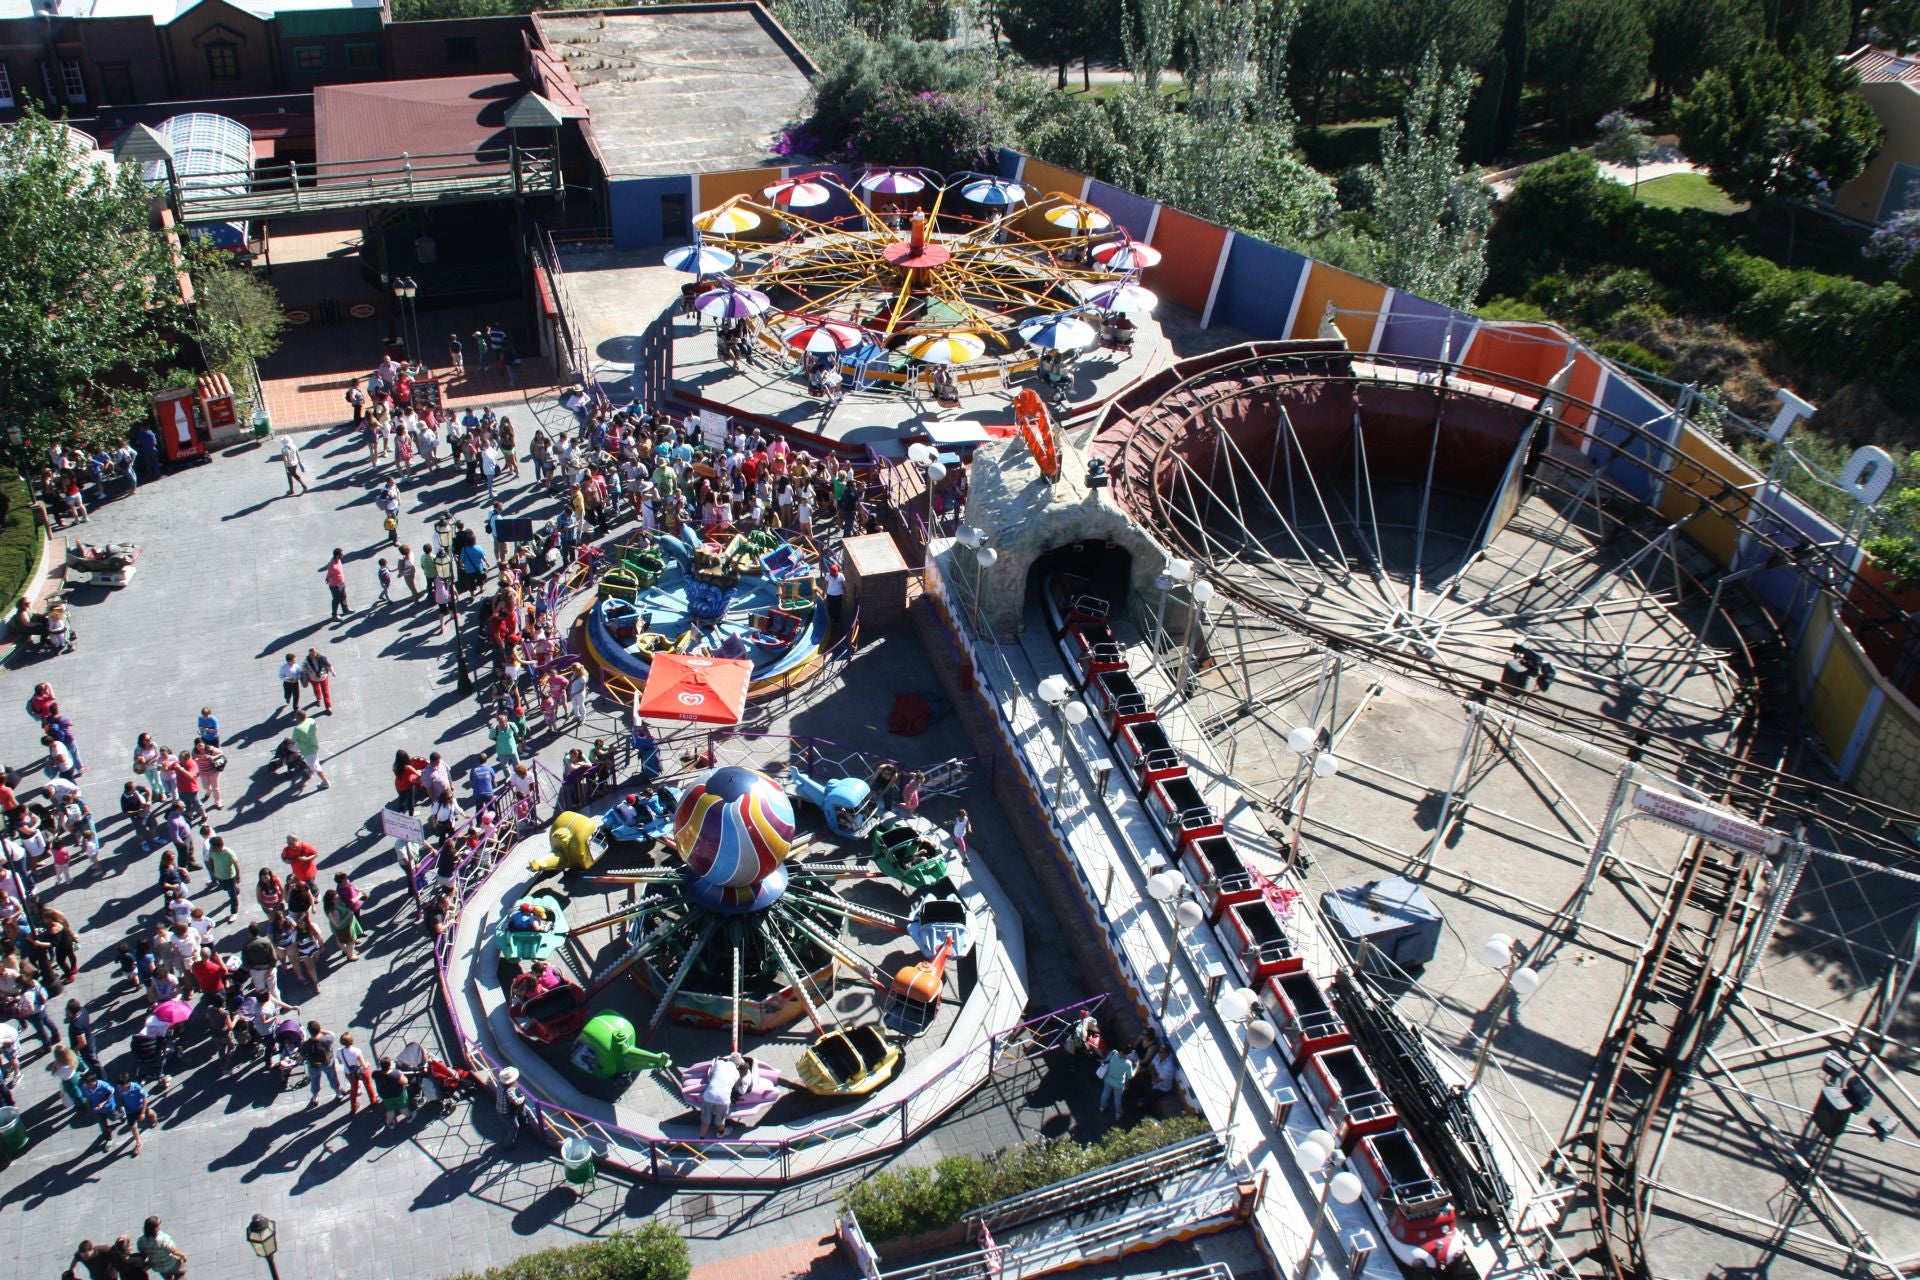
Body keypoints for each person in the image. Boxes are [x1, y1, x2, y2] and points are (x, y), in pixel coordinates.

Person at [700, 1052, 744, 1137]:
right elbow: (736, 1086)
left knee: (706, 1118)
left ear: (729, 1059)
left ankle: (701, 1138)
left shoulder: (719, 1063)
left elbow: (711, 1075)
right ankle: (721, 1133)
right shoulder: (736, 1073)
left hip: (709, 1095)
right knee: (720, 1119)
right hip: (723, 1099)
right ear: (738, 1065)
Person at [289, 710, 330, 790]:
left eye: (296, 716)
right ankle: (310, 772)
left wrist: (288, 740)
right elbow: (315, 729)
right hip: (314, 744)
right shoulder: (311, 720)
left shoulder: (298, 728)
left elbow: (293, 740)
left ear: (298, 718)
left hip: (307, 750)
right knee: (315, 759)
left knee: (316, 766)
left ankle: (326, 782)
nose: (295, 718)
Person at [1098, 1047, 1134, 1115]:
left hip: (1107, 1079)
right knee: (1117, 1098)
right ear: (1129, 1053)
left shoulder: (1113, 1053)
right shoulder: (1128, 1063)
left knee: (1105, 1092)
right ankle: (1118, 1113)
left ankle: (1102, 1107)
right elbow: (1130, 1076)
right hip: (1118, 1084)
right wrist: (1137, 1068)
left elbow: (1106, 1060)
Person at [302, 646, 336, 714]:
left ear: (316, 653)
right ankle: (318, 699)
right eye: (310, 654)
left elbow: (329, 665)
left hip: (323, 677)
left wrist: (332, 672)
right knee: (316, 689)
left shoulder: (322, 658)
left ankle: (328, 707)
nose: (312, 656)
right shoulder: (307, 659)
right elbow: (303, 667)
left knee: (325, 692)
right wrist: (306, 671)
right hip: (313, 678)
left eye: (313, 654)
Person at [323, 548, 350, 620]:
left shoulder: (339, 560)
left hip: (341, 582)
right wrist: (327, 579)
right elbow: (329, 574)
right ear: (338, 555)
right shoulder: (332, 566)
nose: (343, 555)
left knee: (343, 596)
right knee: (336, 600)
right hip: (335, 586)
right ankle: (334, 615)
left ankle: (345, 610)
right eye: (341, 554)